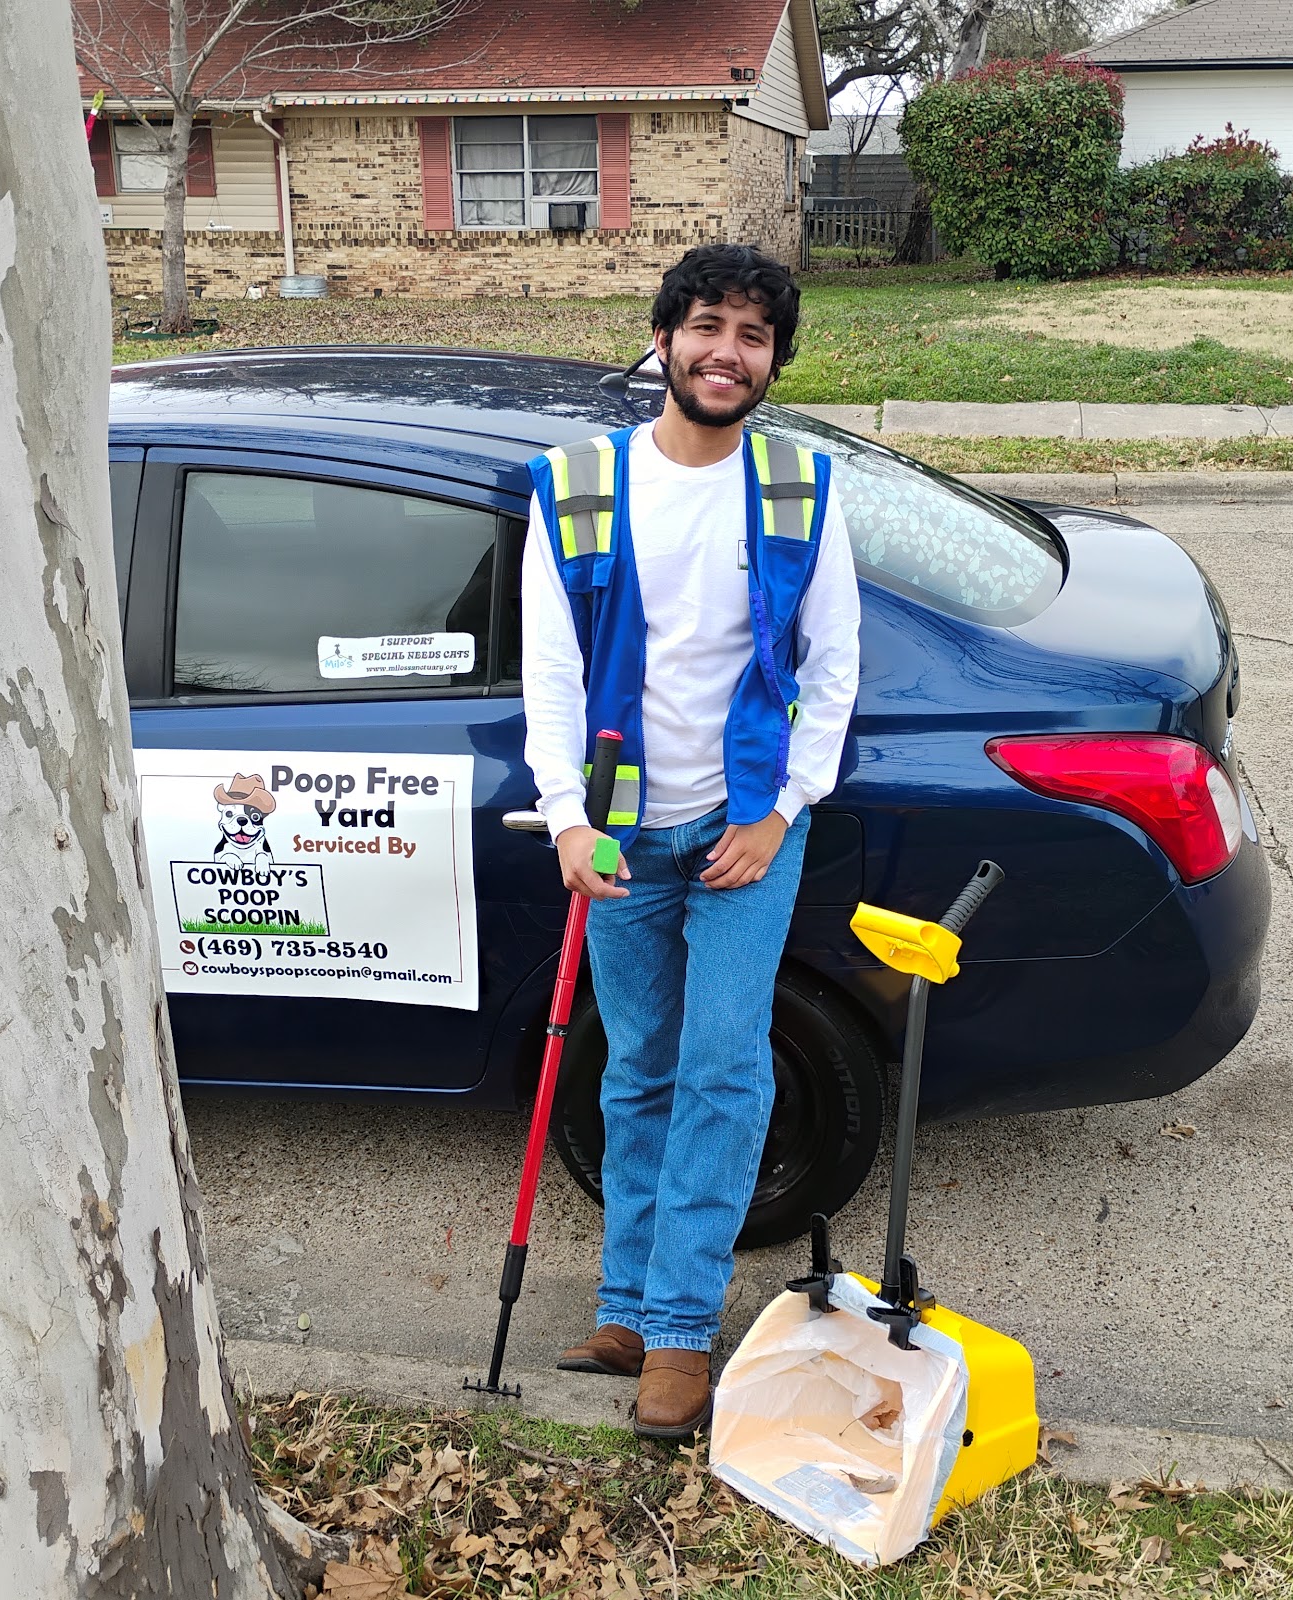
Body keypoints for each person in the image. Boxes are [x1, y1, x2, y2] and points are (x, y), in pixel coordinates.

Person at [521, 243, 860, 1438]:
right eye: (708, 325)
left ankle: (677, 1333)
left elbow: (833, 673)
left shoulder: (800, 488)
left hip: (740, 834)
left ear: (773, 361)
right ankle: (624, 1303)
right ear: (663, 339)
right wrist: (567, 819)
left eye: (755, 336)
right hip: (619, 840)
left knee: (724, 1067)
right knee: (636, 1070)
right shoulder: (573, 482)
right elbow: (553, 674)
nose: (729, 352)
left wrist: (777, 815)